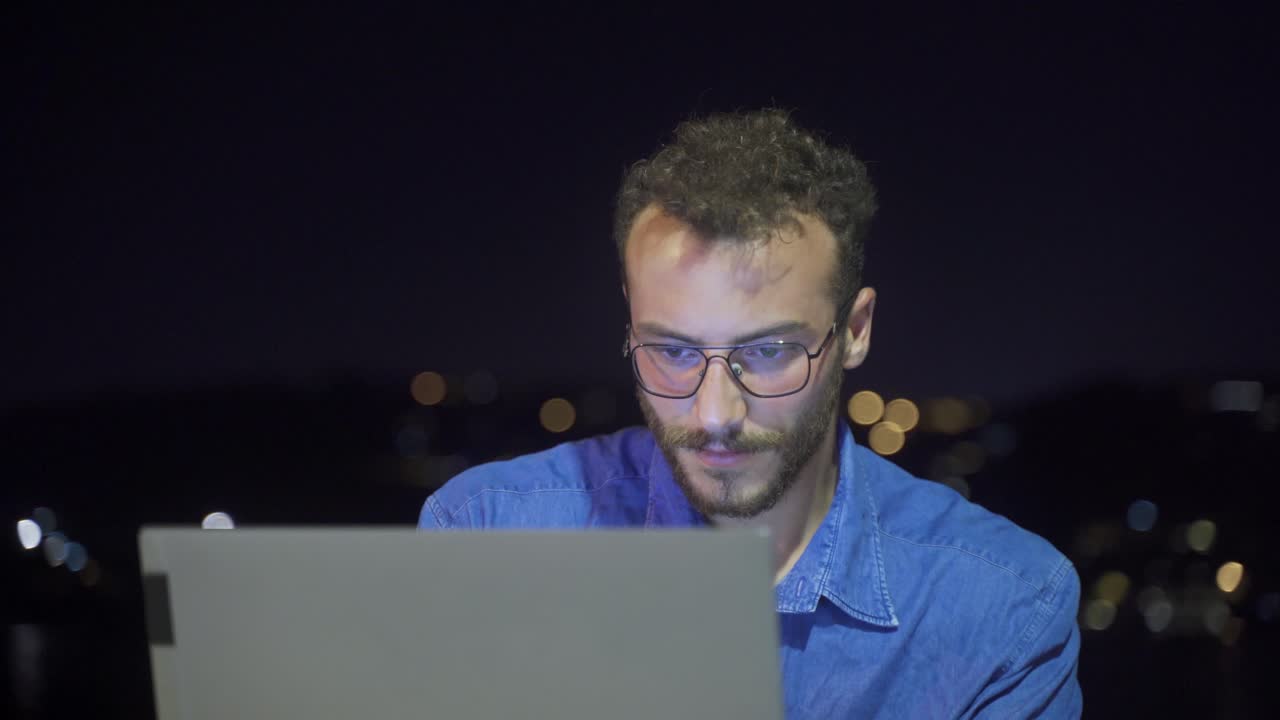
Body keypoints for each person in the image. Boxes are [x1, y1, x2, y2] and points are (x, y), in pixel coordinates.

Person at [419, 109, 1082, 718]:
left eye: (768, 351)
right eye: (672, 351)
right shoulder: (489, 535)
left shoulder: (1001, 609)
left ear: (855, 330)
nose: (714, 413)